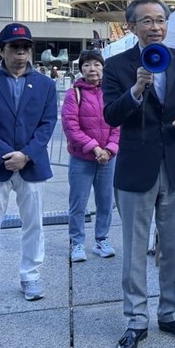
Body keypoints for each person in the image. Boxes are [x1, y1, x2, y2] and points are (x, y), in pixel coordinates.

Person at [103, 0, 175, 348]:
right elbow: (111, 116)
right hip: (135, 171)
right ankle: (135, 320)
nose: (155, 27)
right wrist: (136, 89)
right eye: (146, 20)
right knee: (133, 251)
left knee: (174, 250)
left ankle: (169, 313)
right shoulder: (116, 66)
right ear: (131, 27)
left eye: (160, 19)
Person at [0, 24, 58, 309]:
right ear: (2, 49)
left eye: (25, 48)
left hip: (31, 165)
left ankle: (30, 275)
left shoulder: (46, 85)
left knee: (33, 224)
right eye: (14, 48)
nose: (20, 54)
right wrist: (7, 155)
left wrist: (27, 155)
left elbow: (47, 124)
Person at [62, 49, 120, 263]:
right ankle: (77, 243)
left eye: (96, 64)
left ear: (103, 68)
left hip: (108, 158)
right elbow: (71, 127)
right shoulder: (74, 94)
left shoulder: (111, 92)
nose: (92, 69)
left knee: (105, 201)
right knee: (78, 202)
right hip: (82, 158)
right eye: (86, 65)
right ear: (81, 70)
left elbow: (117, 123)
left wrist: (110, 149)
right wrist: (95, 147)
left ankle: (101, 240)